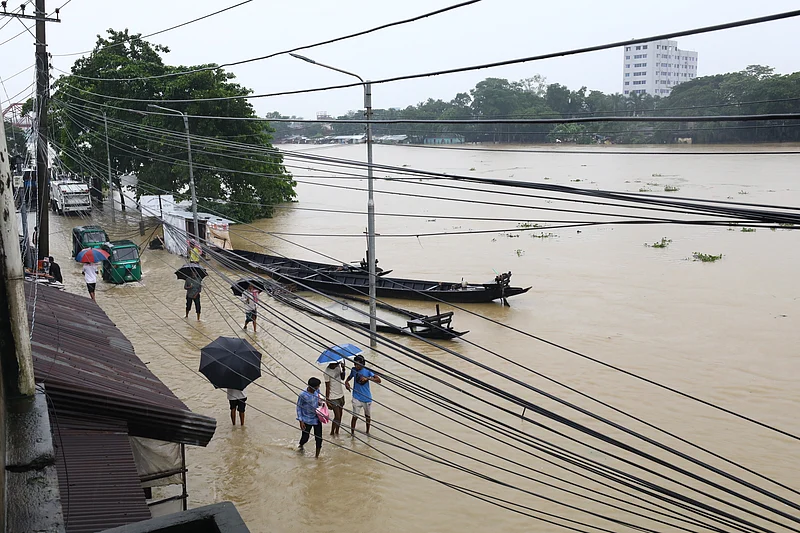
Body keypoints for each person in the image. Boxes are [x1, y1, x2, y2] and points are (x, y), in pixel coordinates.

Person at [344, 355, 381, 435]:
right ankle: (352, 433)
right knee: (355, 416)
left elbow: (378, 380)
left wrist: (368, 378)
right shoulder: (353, 370)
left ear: (363, 364)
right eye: (355, 364)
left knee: (367, 416)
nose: (356, 366)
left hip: (366, 397)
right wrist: (346, 382)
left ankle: (367, 432)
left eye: (358, 364)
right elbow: (349, 377)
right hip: (356, 397)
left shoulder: (367, 371)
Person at [296, 377, 323, 457]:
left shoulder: (317, 391)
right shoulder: (303, 395)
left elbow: (319, 399)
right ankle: (300, 446)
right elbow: (298, 407)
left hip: (317, 418)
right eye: (316, 387)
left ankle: (317, 456)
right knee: (305, 438)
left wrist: (321, 403)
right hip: (307, 419)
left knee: (319, 439)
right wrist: (301, 421)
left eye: (318, 386)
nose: (318, 388)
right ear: (310, 387)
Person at [323, 361, 346, 436]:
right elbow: (327, 387)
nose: (336, 365)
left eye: (337, 364)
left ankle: (337, 432)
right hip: (333, 397)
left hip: (341, 395)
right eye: (335, 364)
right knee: (337, 416)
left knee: (340, 416)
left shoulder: (338, 367)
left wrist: (343, 369)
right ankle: (332, 432)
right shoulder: (327, 372)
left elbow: (342, 378)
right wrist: (327, 400)